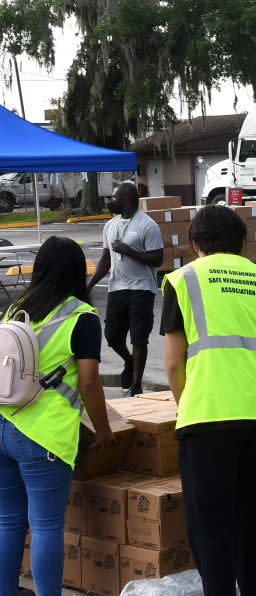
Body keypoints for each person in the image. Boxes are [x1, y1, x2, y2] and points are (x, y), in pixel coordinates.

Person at [161, 205, 256, 594]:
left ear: (194, 244)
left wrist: (188, 403)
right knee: (251, 525)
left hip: (206, 418)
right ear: (244, 244)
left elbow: (171, 364)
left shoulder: (182, 281)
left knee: (210, 528)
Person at [0, 236, 113, 596]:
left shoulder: (16, 307)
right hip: (42, 435)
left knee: (7, 521)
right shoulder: (82, 317)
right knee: (47, 526)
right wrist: (104, 431)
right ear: (78, 272)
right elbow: (90, 383)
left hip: (3, 425)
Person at [88, 182, 164, 397]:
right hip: (117, 288)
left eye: (114, 198)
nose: (110, 202)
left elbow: (158, 259)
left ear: (125, 199)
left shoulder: (147, 225)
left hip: (142, 289)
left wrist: (129, 251)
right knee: (112, 336)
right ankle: (129, 361)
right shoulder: (110, 226)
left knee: (139, 338)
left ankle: (137, 383)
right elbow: (105, 259)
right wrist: (90, 284)